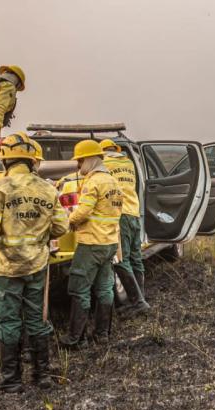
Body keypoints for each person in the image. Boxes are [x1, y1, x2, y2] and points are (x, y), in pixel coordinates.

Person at [0, 134, 69, 392]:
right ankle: (42, 375)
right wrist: (40, 238)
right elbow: (62, 226)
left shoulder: (0, 188)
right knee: (37, 318)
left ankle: (10, 377)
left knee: (6, 319)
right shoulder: (48, 189)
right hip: (37, 265)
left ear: (5, 159)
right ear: (33, 161)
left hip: (6, 267)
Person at [59, 140, 123, 348]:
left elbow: (84, 211)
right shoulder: (112, 181)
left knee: (79, 288)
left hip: (91, 243)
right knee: (105, 288)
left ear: (89, 158)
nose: (78, 166)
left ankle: (75, 338)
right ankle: (102, 334)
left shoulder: (93, 182)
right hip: (109, 242)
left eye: (79, 161)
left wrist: (67, 220)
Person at [101, 138, 150, 316]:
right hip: (134, 213)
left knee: (122, 259)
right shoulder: (128, 162)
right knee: (136, 258)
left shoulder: (104, 163)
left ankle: (138, 302)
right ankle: (139, 299)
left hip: (120, 214)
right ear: (116, 149)